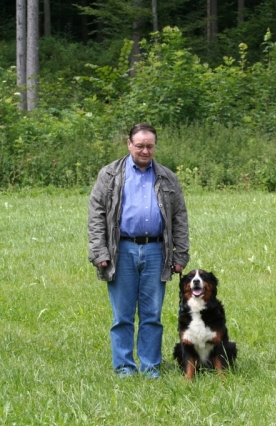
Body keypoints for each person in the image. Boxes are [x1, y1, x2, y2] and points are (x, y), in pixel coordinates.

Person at [88, 123, 190, 378]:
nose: (145, 151)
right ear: (129, 144)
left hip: (157, 251)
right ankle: (124, 368)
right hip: (121, 250)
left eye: (150, 146)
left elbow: (179, 217)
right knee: (122, 316)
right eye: (140, 145)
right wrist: (99, 252)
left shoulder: (167, 176)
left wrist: (180, 255)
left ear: (155, 146)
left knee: (152, 316)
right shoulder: (110, 175)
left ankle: (150, 367)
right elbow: (96, 215)